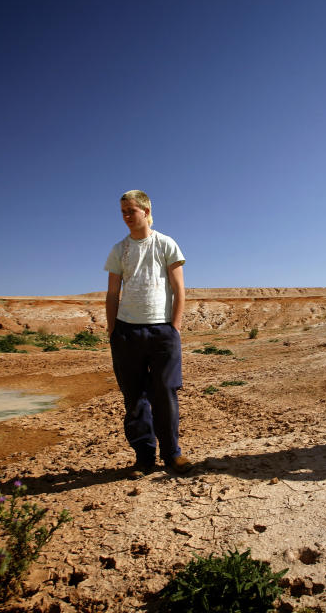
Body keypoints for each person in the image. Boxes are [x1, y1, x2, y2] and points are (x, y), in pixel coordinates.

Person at [105, 190, 192, 477]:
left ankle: (172, 455)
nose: (127, 217)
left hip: (162, 329)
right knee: (134, 397)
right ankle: (144, 458)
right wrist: (113, 331)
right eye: (123, 212)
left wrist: (174, 328)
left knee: (165, 392)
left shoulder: (166, 244)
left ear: (146, 210)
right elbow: (113, 293)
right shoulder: (119, 249)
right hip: (127, 331)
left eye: (131, 210)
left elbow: (179, 290)